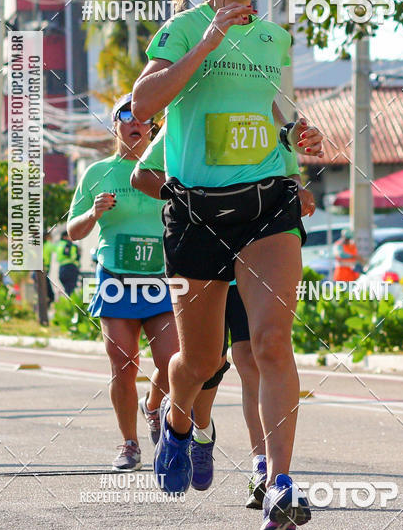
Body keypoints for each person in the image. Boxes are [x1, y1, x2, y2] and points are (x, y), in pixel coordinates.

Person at [106, 0, 324, 530]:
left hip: (266, 204)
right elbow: (143, 103)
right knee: (196, 361)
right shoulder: (180, 31)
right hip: (195, 211)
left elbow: (276, 113)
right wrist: (209, 40)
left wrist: (298, 139)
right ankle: (179, 422)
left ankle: (279, 483)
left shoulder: (275, 37)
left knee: (271, 343)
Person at [133, 122, 316, 505]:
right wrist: (196, 205)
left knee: (257, 355)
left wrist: (298, 188)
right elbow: (145, 176)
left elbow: (288, 171)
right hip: (204, 260)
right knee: (205, 364)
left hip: (255, 261)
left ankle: (266, 470)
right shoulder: (193, 117)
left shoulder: (261, 115)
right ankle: (181, 425)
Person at [66, 93, 179, 471]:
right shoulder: (98, 173)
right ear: (115, 125)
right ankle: (129, 444)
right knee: (124, 364)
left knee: (171, 361)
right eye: (126, 117)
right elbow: (72, 231)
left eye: (144, 118)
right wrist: (94, 213)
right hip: (115, 277)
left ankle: (152, 406)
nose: (136, 123)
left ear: (154, 128)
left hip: (161, 280)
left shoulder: (169, 167)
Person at [55, 229, 81, 297]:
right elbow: (75, 257)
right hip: (71, 269)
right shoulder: (71, 245)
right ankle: (71, 305)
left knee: (67, 289)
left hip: (61, 269)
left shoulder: (58, 244)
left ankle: (68, 303)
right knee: (71, 290)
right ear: (65, 237)